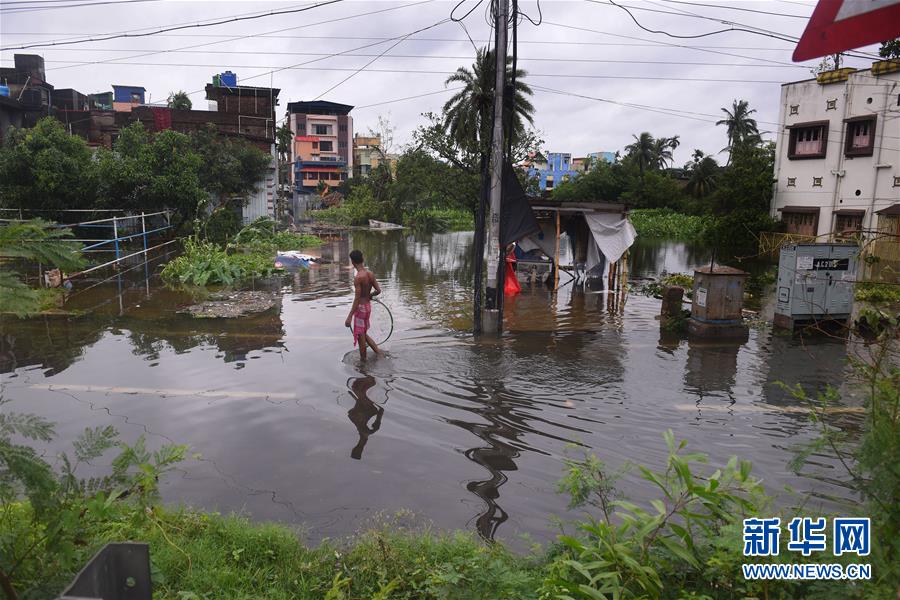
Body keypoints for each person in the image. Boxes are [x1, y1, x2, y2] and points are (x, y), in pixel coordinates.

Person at [345, 249, 382, 360]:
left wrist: (350, 316)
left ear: (352, 262)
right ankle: (379, 354)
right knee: (363, 334)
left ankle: (363, 364)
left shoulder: (358, 278)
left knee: (361, 337)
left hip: (360, 309)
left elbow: (357, 298)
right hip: (368, 307)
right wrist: (370, 296)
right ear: (363, 259)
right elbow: (378, 290)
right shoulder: (370, 274)